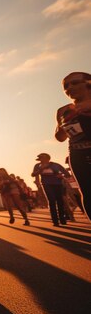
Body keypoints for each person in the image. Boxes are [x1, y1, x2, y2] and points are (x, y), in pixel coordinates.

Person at [54, 71, 91, 220]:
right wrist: (65, 124)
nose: (69, 88)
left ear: (88, 83)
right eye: (66, 86)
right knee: (87, 191)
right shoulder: (63, 110)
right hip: (78, 154)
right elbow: (59, 137)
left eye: (75, 83)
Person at [31, 153, 70, 226]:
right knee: (51, 201)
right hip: (46, 184)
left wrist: (61, 175)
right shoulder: (37, 166)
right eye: (40, 159)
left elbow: (67, 174)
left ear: (48, 158)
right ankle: (55, 221)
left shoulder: (56, 165)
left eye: (42, 158)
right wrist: (41, 169)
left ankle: (62, 219)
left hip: (58, 184)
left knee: (60, 201)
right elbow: (33, 174)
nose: (41, 160)